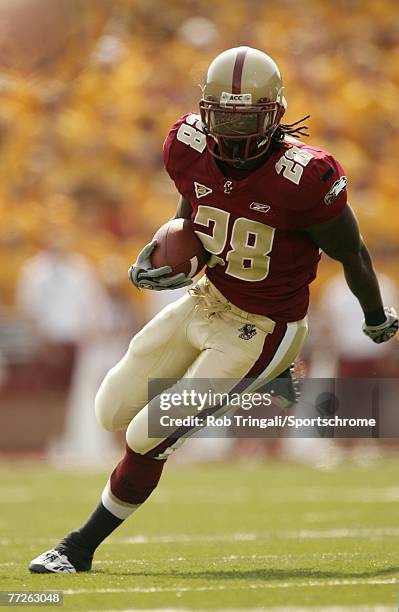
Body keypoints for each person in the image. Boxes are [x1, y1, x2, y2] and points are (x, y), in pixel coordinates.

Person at [29, 46, 398, 574]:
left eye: (244, 118)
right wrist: (177, 251)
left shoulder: (306, 177)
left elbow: (353, 252)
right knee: (109, 408)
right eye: (221, 116)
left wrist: (374, 314)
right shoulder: (185, 143)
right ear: (204, 112)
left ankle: (77, 548)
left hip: (262, 327)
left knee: (148, 434)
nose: (231, 130)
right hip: (207, 300)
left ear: (274, 115)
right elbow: (195, 204)